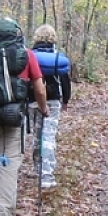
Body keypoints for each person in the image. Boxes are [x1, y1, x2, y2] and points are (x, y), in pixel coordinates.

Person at [0, 44, 49, 216]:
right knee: (8, 168)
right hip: (12, 117)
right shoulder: (25, 54)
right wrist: (43, 109)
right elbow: (39, 88)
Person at [30, 24, 71, 189]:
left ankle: (37, 169)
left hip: (32, 101)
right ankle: (47, 176)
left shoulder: (29, 56)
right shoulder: (57, 57)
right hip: (53, 101)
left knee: (37, 135)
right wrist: (66, 100)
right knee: (48, 136)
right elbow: (65, 82)